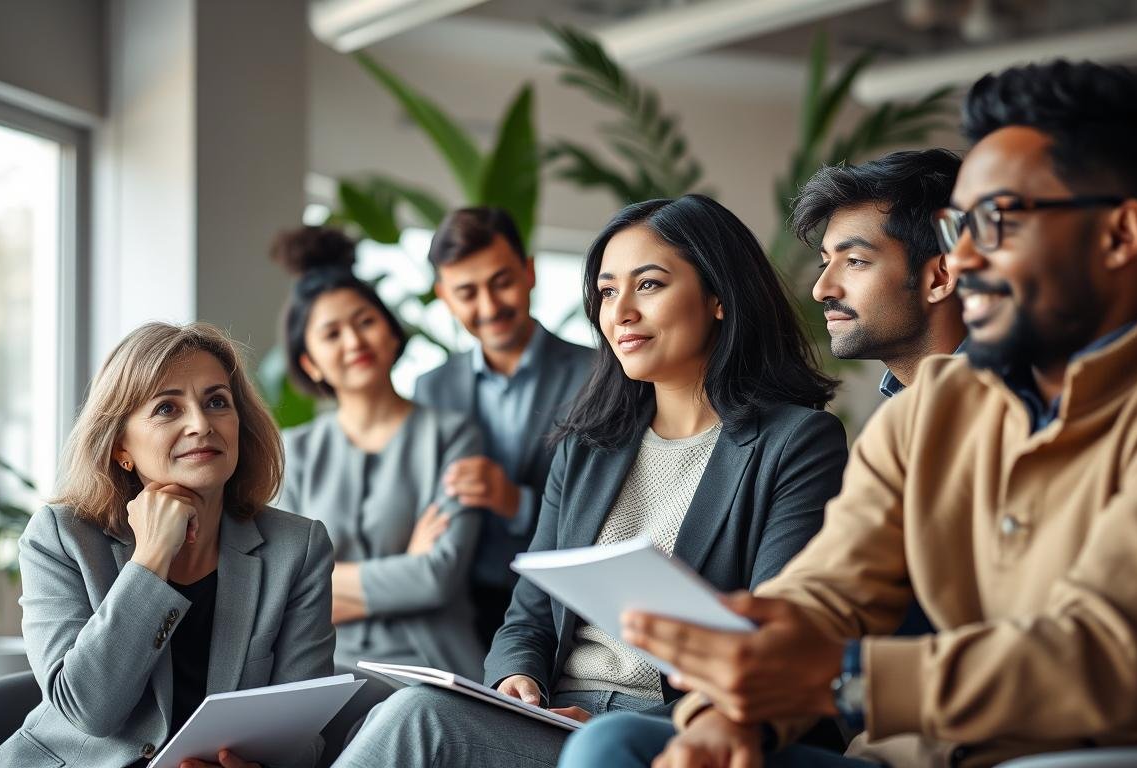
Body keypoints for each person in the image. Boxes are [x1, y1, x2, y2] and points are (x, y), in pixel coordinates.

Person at [564, 59, 1137, 768]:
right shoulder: (924, 414)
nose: (966, 258)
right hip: (896, 760)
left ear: (1120, 236)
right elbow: (825, 594)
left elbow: (1112, 655)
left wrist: (845, 677)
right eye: (958, 227)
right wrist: (729, 716)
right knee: (622, 743)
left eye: (996, 221)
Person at [333, 194, 849, 768]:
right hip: (555, 714)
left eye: (648, 285)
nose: (620, 311)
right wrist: (518, 682)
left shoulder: (797, 443)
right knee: (410, 706)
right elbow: (527, 615)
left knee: (418, 716)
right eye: (607, 291)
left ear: (718, 297)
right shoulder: (587, 446)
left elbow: (778, 642)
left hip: (681, 726)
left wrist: (608, 724)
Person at [0, 322, 334, 768]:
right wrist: (149, 561)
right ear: (120, 447)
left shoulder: (297, 548)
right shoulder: (61, 536)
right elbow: (89, 709)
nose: (201, 424)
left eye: (217, 402)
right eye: (167, 408)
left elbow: (303, 726)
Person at [274, 226, 486, 680]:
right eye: (332, 334)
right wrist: (405, 568)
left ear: (391, 333)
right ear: (310, 362)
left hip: (431, 669)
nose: (354, 342)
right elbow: (280, 593)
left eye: (365, 322)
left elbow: (437, 577)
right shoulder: (295, 453)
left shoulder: (452, 435)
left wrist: (325, 586)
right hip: (321, 668)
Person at [414, 207, 593, 645]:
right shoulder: (430, 387)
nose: (490, 307)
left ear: (530, 272)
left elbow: (606, 506)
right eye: (467, 292)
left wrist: (515, 502)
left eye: (502, 282)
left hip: (562, 608)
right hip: (457, 608)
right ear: (444, 296)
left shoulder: (598, 375)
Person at [800, 149, 966, 398]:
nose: (820, 290)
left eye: (854, 261)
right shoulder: (901, 414)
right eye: (825, 263)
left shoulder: (1019, 410)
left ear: (940, 278)